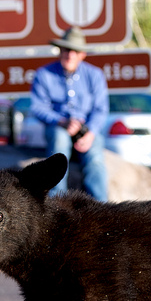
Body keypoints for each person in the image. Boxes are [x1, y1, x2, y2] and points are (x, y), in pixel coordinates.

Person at [29, 27, 110, 201]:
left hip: (86, 129)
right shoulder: (44, 74)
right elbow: (38, 107)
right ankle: (57, 203)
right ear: (60, 50)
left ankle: (101, 207)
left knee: (95, 157)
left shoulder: (94, 75)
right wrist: (61, 121)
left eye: (75, 51)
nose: (70, 55)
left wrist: (91, 132)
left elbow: (100, 109)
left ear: (82, 54)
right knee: (59, 148)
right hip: (59, 127)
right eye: (66, 49)